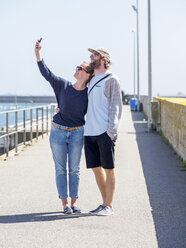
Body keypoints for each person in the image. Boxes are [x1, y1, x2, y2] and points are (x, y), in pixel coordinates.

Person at [35, 40, 93, 214]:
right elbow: (47, 73)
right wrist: (37, 53)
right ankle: (64, 205)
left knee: (74, 169)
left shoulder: (89, 93)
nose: (76, 69)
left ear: (87, 74)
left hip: (76, 132)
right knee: (60, 169)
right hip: (58, 131)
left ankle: (74, 203)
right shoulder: (63, 85)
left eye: (79, 68)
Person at [84, 48, 122, 216]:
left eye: (94, 55)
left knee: (109, 168)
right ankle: (104, 203)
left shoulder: (112, 79)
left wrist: (111, 132)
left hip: (104, 132)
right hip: (89, 131)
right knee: (96, 168)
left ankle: (109, 206)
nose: (91, 57)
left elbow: (116, 106)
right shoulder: (91, 79)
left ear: (103, 59)